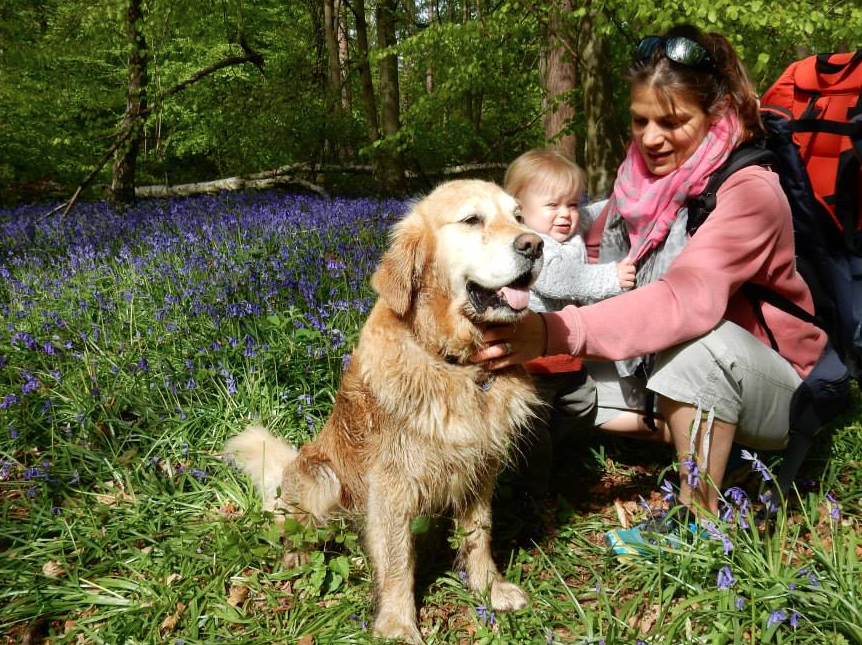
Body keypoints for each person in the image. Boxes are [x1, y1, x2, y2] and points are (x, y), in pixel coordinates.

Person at [473, 24, 827, 522]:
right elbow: (584, 233)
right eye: (641, 121)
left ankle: (700, 514)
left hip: (773, 385)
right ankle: (502, 482)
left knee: (696, 347)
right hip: (668, 360)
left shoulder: (750, 192)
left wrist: (556, 331)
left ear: (716, 113)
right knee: (556, 375)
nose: (651, 139)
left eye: (673, 121)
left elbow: (684, 301)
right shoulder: (640, 182)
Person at [503, 149, 636, 498]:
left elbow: (597, 213)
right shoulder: (530, 245)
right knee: (533, 432)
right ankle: (529, 495)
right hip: (533, 360)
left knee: (583, 403)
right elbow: (558, 279)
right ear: (519, 209)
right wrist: (612, 277)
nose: (566, 215)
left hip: (564, 354)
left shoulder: (570, 229)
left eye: (572, 204)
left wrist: (626, 195)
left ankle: (555, 458)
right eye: (553, 206)